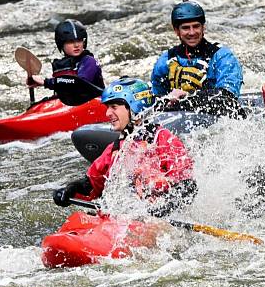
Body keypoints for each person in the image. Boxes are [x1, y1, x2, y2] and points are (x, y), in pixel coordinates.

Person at [53, 78, 198, 218]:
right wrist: (71, 190)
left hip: (155, 220)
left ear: (135, 108)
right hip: (123, 219)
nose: (107, 113)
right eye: (108, 107)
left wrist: (164, 208)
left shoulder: (163, 139)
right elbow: (92, 185)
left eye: (114, 107)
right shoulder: (115, 148)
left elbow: (188, 187)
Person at [150, 0, 246, 117]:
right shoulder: (165, 60)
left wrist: (188, 96)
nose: (192, 32)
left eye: (196, 26)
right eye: (185, 28)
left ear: (203, 27)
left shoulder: (222, 56)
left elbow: (228, 97)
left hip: (215, 118)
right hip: (178, 120)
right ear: (176, 31)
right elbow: (155, 101)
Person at [28, 19, 104, 106]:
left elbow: (79, 84)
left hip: (93, 104)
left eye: (79, 40)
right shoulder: (60, 66)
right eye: (70, 41)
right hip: (72, 106)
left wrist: (46, 82)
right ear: (61, 44)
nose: (76, 45)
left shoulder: (89, 61)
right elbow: (62, 95)